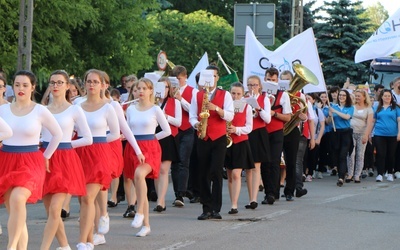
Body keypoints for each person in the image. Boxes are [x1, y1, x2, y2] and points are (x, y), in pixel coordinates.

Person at [0, 70, 63, 250]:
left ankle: (10, 247)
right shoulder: (2, 110)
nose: (21, 89)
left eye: (25, 85)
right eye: (17, 85)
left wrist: (46, 156)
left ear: (33, 87)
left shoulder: (39, 110)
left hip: (31, 161)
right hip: (6, 160)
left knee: (18, 199)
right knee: (15, 211)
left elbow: (57, 134)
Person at [40, 70, 92, 250]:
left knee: (55, 209)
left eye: (59, 82)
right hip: (44, 157)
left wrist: (66, 144)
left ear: (68, 86)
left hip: (65, 159)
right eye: (52, 82)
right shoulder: (43, 109)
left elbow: (88, 138)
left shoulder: (74, 109)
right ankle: (64, 246)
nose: (55, 86)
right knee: (50, 212)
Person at [74, 69, 120, 250]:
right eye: (89, 81)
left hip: (99, 154)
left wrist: (97, 142)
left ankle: (84, 241)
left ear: (103, 85)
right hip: (79, 153)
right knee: (82, 200)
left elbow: (116, 134)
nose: (92, 84)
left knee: (88, 197)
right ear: (84, 84)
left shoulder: (109, 107)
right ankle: (90, 237)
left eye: (95, 81)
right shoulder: (77, 104)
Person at [125, 77, 171, 236]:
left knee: (139, 175)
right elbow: (128, 129)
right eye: (138, 89)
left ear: (151, 90)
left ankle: (139, 211)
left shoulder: (155, 109)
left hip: (150, 148)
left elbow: (167, 131)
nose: (141, 91)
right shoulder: (130, 109)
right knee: (138, 183)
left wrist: (152, 139)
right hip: (134, 147)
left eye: (144, 88)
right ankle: (146, 224)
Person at [189, 65, 234, 220]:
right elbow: (192, 116)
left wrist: (217, 109)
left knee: (216, 172)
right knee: (203, 173)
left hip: (219, 137)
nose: (210, 79)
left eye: (213, 76)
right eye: (207, 77)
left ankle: (216, 208)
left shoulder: (225, 94)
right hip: (203, 136)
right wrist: (196, 124)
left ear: (217, 78)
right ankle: (206, 208)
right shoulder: (197, 95)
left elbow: (230, 115)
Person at [262, 68, 291, 204]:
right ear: (264, 79)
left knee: (274, 162)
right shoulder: (259, 94)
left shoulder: (283, 95)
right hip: (262, 131)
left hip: (276, 131)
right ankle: (268, 192)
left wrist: (275, 114)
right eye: (268, 80)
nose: (271, 82)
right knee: (264, 163)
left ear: (277, 81)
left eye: (273, 80)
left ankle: (273, 193)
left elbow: (288, 117)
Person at [152, 77, 182, 212]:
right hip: (153, 136)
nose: (162, 90)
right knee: (156, 170)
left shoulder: (175, 102)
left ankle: (160, 201)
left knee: (164, 170)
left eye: (165, 87)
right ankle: (160, 199)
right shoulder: (151, 103)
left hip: (169, 137)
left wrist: (166, 116)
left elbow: (179, 122)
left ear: (169, 89)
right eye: (160, 87)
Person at [171, 65, 198, 206]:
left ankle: (181, 194)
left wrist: (180, 99)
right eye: (174, 80)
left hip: (187, 129)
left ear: (185, 77)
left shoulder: (193, 91)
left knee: (183, 161)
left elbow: (194, 110)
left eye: (179, 79)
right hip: (174, 129)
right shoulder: (168, 91)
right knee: (174, 163)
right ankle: (177, 193)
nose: (177, 82)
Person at [225, 82, 254, 214]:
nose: (236, 96)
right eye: (233, 93)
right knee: (230, 175)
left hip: (241, 142)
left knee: (237, 174)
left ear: (243, 95)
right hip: (227, 143)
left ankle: (234, 205)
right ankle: (232, 201)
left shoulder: (247, 107)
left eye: (238, 94)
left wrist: (236, 129)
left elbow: (249, 127)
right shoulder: (225, 106)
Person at [245, 75, 271, 208]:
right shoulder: (243, 98)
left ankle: (254, 199)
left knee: (256, 167)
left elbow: (268, 119)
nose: (252, 88)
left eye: (254, 85)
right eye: (249, 85)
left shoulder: (264, 98)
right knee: (248, 168)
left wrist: (259, 108)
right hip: (246, 133)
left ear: (259, 86)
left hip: (259, 132)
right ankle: (250, 197)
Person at [327, 89, 354, 186]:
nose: (341, 97)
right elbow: (328, 122)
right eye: (340, 95)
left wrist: (335, 112)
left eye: (343, 95)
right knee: (336, 155)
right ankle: (341, 172)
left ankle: (341, 177)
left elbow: (347, 117)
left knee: (343, 155)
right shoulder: (333, 107)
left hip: (346, 133)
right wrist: (330, 116)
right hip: (335, 132)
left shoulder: (350, 107)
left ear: (347, 97)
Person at [373, 89, 400, 182]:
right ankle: (380, 174)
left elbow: (399, 121)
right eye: (385, 96)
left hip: (392, 134)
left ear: (391, 97)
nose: (387, 97)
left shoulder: (396, 108)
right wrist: (369, 133)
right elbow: (373, 121)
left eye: (389, 96)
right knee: (381, 154)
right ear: (382, 97)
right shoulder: (377, 107)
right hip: (379, 134)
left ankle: (389, 173)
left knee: (391, 155)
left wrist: (399, 133)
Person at [346, 89, 373, 183]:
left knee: (360, 155)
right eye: (356, 96)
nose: (357, 97)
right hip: (351, 133)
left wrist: (366, 135)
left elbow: (369, 123)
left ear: (364, 97)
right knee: (350, 154)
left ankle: (357, 175)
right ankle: (350, 174)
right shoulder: (352, 107)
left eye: (359, 96)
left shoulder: (368, 109)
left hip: (362, 133)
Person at [305, 93, 325, 181]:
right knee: (304, 155)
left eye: (309, 98)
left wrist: (319, 138)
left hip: (314, 136)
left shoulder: (317, 111)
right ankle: (303, 172)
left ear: (313, 100)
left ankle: (310, 172)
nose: (307, 100)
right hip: (305, 136)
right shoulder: (302, 109)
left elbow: (322, 125)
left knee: (313, 156)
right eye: (305, 98)